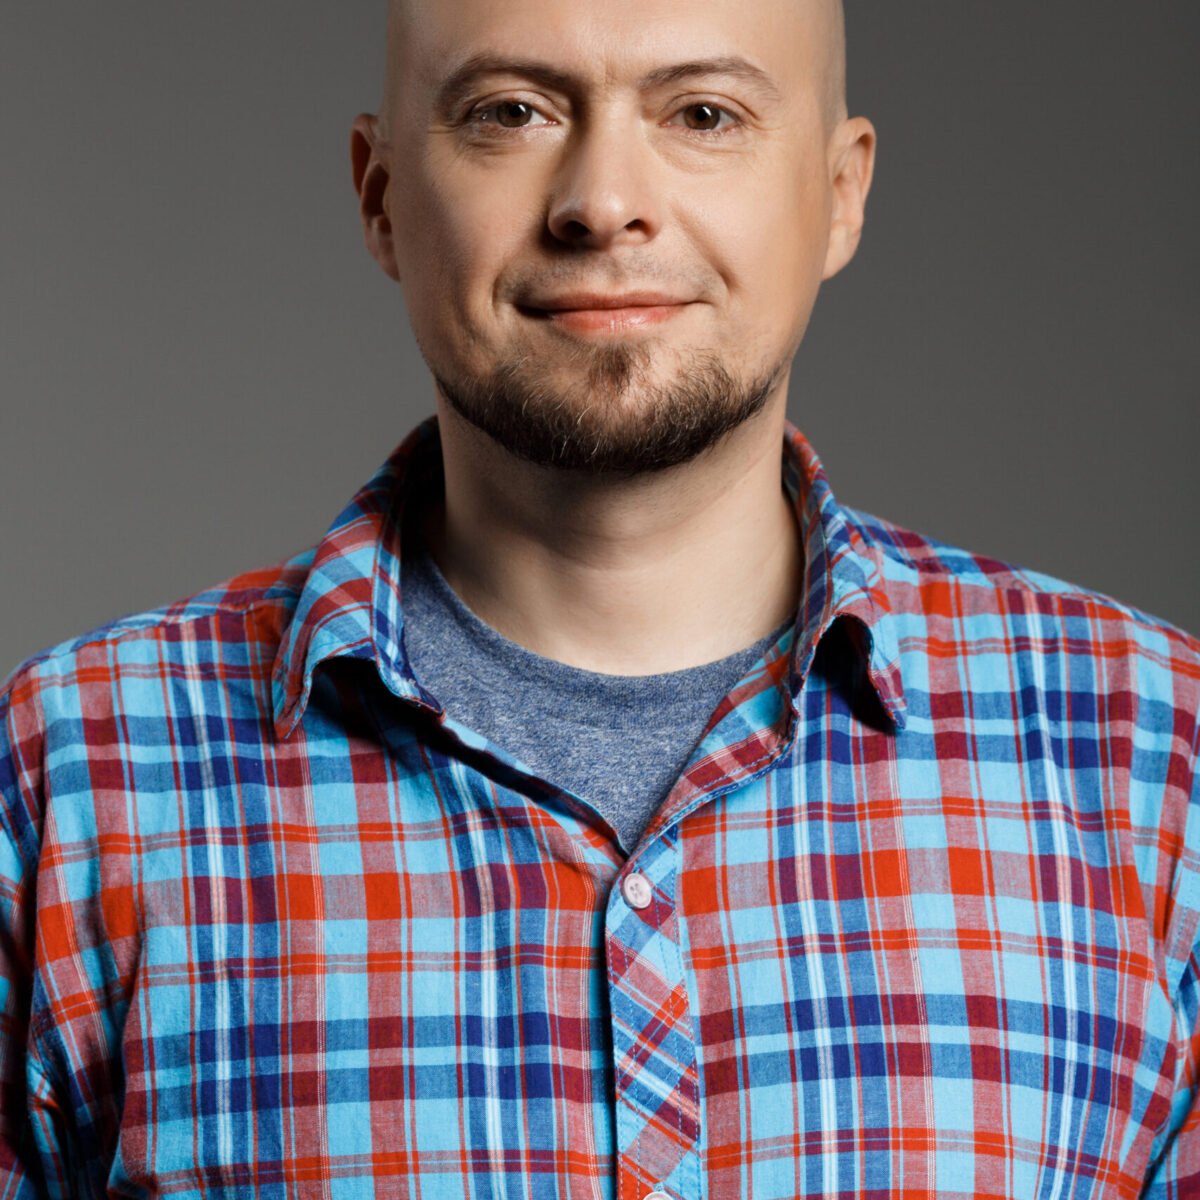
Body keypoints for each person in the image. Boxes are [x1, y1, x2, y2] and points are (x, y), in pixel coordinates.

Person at [1, 0, 1197, 1195]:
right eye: (511, 112)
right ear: (379, 196)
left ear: (841, 193)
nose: (601, 202)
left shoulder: (1155, 756)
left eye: (704, 113)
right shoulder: (72, 771)